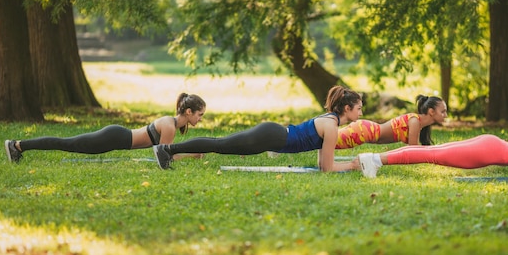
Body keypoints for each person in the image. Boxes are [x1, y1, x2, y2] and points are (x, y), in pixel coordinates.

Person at [152, 85, 364, 172]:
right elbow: (327, 168)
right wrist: (352, 165)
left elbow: (321, 163)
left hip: (272, 135)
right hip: (271, 136)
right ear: (347, 108)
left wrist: (344, 164)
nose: (361, 114)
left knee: (221, 145)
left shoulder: (330, 122)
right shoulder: (331, 125)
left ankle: (168, 151)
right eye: (359, 109)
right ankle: (167, 150)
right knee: (220, 145)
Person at [357, 111, 508, 179]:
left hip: (491, 146)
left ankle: (373, 159)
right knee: (430, 155)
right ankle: (374, 160)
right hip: (491, 150)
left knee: (431, 152)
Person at [4, 93, 206, 162]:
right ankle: (17, 145)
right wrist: (193, 154)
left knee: (68, 143)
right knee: (67, 143)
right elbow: (164, 157)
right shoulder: (169, 126)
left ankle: (18, 146)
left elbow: (165, 153)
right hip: (114, 137)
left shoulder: (170, 123)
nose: (200, 119)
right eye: (200, 114)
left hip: (116, 138)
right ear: (188, 112)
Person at [335, 95, 447, 149]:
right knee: (331, 141)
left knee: (331, 140)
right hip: (366, 131)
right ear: (431, 111)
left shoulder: (419, 123)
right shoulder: (415, 122)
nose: (445, 115)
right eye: (443, 112)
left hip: (367, 131)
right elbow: (413, 150)